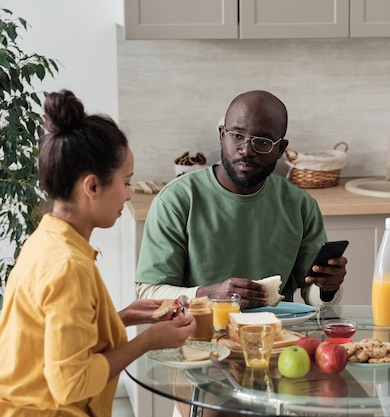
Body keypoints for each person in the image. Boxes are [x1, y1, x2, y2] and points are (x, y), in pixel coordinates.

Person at [0, 90, 196, 416]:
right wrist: (146, 342)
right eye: (127, 182)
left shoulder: (46, 240)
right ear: (92, 187)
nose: (130, 195)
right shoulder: (67, 266)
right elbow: (71, 383)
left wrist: (125, 317)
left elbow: (60, 343)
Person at [135, 90, 347, 308]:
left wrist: (328, 289)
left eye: (262, 141)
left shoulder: (300, 205)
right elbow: (150, 293)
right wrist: (209, 294)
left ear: (281, 149)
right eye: (237, 135)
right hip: (197, 337)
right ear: (221, 135)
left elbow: (313, 294)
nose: (246, 150)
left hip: (279, 336)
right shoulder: (176, 200)